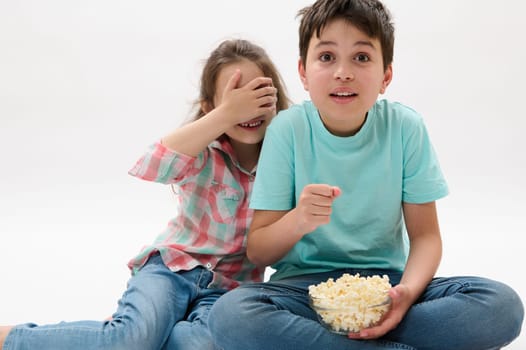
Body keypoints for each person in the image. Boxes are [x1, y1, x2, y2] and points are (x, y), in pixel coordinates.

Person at [207, 1, 524, 349]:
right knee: (231, 314)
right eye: (327, 57)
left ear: (386, 75)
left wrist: (406, 295)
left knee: (500, 305)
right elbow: (259, 251)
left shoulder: (405, 128)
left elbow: (426, 238)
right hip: (303, 292)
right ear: (303, 73)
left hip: (388, 287)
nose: (343, 72)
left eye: (361, 58)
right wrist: (298, 219)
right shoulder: (288, 129)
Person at [0, 38, 291, 350]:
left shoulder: (287, 165)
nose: (247, 107)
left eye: (258, 94)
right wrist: (226, 114)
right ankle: (10, 338)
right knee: (129, 339)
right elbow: (151, 165)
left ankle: (154, 337)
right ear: (210, 108)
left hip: (228, 289)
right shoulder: (206, 155)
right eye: (235, 98)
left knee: (202, 345)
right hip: (172, 269)